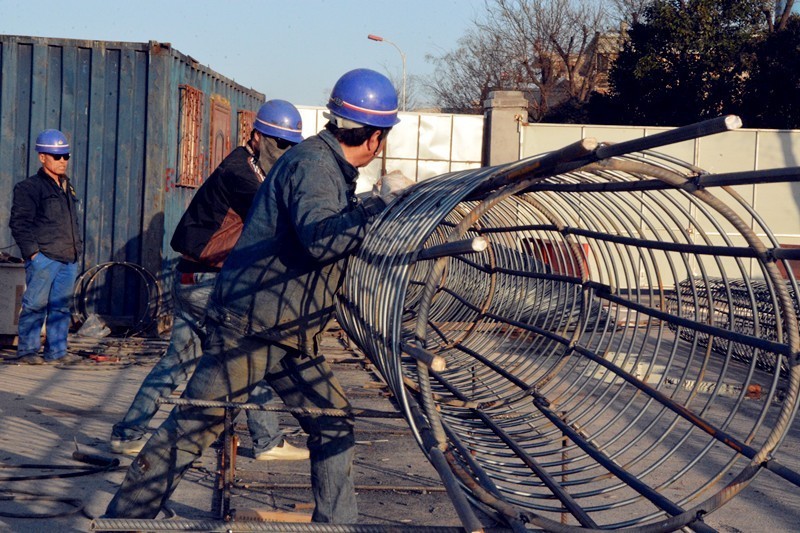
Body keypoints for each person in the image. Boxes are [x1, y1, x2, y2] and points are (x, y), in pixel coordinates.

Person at [104, 68, 414, 523]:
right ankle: (123, 519)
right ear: (376, 138)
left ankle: (336, 524)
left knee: (333, 422)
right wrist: (377, 205)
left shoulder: (325, 165)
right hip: (254, 325)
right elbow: (321, 240)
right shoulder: (313, 166)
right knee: (196, 424)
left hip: (288, 327)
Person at [109, 100, 310, 464]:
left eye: (290, 146)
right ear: (256, 136)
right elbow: (279, 216)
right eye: (278, 144)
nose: (283, 153)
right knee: (248, 353)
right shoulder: (241, 173)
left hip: (194, 279)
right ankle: (267, 440)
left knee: (177, 363)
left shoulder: (253, 171)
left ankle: (128, 434)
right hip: (207, 281)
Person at [10, 129, 83, 365]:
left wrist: (76, 250)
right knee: (35, 305)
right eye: (57, 157)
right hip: (45, 258)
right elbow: (19, 224)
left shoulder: (67, 187)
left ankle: (57, 352)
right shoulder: (29, 188)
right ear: (42, 157)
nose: (63, 161)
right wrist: (34, 254)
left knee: (61, 308)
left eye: (66, 156)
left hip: (68, 258)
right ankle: (28, 351)